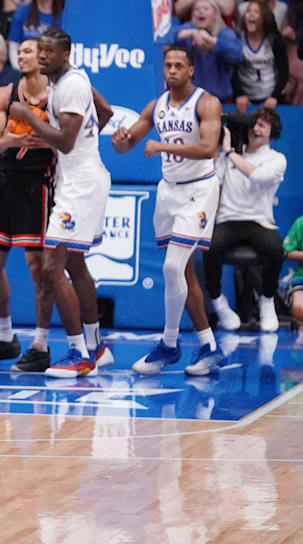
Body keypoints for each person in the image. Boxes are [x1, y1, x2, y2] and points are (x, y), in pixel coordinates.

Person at [115, 47, 226, 376]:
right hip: (169, 192)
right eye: (168, 65)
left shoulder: (207, 102)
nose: (173, 70)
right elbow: (127, 143)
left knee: (171, 267)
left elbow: (208, 148)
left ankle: (169, 344)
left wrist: (163, 146)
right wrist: (120, 139)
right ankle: (209, 346)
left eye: (179, 65)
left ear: (191, 70)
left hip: (199, 189)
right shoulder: (156, 106)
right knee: (183, 272)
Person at [22, 26, 114, 378]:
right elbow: (103, 112)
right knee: (74, 265)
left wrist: (28, 114)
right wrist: (79, 142)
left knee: (51, 267)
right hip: (82, 178)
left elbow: (66, 141)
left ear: (65, 53)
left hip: (81, 185)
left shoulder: (70, 85)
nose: (43, 56)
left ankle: (79, 353)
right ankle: (97, 346)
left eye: (49, 51)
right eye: (39, 50)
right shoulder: (74, 82)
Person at [0, 39, 55, 370]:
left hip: (39, 187)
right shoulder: (4, 94)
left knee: (39, 269)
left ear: (42, 57)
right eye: (18, 53)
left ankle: (41, 344)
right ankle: (4, 337)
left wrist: (41, 133)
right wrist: (13, 140)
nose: (21, 56)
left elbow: (70, 141)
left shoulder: (56, 95)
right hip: (6, 184)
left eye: (27, 52)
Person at [203, 107, 287, 333]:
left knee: (275, 249)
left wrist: (230, 153)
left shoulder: (277, 159)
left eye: (263, 125)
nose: (256, 129)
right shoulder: (226, 156)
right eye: (254, 124)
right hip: (229, 220)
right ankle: (219, 304)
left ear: (273, 133)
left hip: (260, 221)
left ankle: (267, 301)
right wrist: (217, 150)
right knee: (208, 246)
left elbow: (258, 176)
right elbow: (212, 184)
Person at [171, 0, 243, 102]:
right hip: (190, 99)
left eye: (206, 8)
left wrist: (213, 41)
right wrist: (193, 33)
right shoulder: (189, 29)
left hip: (219, 99)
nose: (200, 11)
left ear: (215, 15)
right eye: (196, 9)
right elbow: (168, 37)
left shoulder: (225, 33)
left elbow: (237, 54)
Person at [233, 1, 289, 111]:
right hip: (245, 99)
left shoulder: (274, 40)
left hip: (271, 97)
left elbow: (284, 71)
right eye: (248, 11)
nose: (251, 14)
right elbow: (232, 70)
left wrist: (274, 96)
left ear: (264, 17)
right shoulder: (237, 39)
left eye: (256, 12)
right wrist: (239, 94)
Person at [7, 0, 62, 65]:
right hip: (25, 63)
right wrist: (18, 68)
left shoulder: (62, 17)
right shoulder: (21, 13)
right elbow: (13, 45)